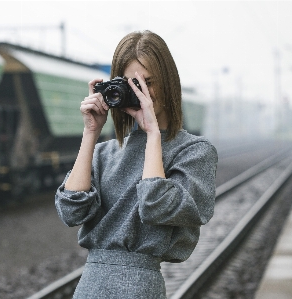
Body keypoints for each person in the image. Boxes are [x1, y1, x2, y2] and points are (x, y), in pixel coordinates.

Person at [55, 30, 218, 299]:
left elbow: (155, 205)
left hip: (141, 285)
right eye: (133, 84)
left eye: (149, 82)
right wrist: (91, 132)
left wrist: (153, 133)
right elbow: (70, 212)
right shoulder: (104, 152)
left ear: (169, 83)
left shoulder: (194, 152)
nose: (144, 93)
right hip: (90, 286)